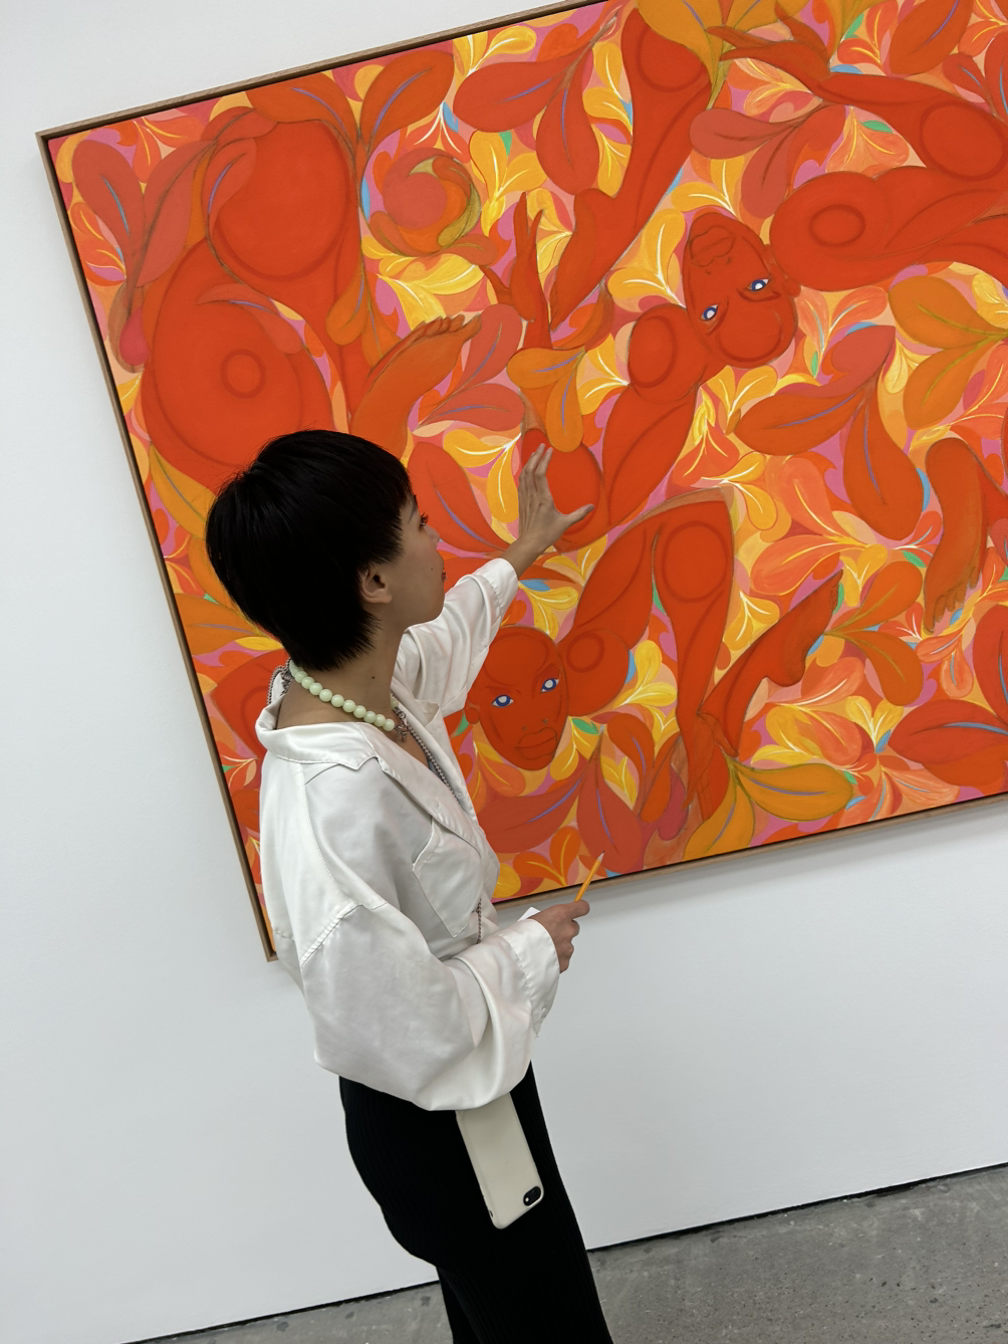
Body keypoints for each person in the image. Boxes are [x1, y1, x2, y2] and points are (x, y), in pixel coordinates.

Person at [205, 429, 614, 1342]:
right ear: (373, 582)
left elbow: (448, 632)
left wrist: (521, 552)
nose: (438, 542)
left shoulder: (357, 689)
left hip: (479, 1090)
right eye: (420, 524)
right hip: (440, 1124)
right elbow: (399, 1027)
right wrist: (534, 947)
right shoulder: (332, 802)